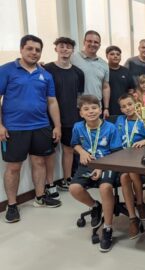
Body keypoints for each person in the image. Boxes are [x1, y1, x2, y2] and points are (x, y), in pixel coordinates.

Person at [0, 35, 62, 223]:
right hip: (14, 128)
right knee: (13, 168)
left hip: (41, 126)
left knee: (40, 163)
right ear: (21, 49)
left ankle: (40, 197)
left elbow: (51, 101)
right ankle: (12, 205)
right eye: (30, 48)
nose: (34, 52)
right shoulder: (6, 70)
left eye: (37, 50)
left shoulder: (45, 75)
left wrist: (57, 125)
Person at [69, 95, 122, 252]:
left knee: (105, 187)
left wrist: (102, 167)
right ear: (81, 113)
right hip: (87, 165)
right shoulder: (78, 127)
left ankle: (107, 229)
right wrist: (82, 152)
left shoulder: (110, 128)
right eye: (86, 109)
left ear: (100, 110)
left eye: (94, 108)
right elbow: (75, 144)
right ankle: (95, 206)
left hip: (108, 163)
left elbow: (117, 153)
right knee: (74, 189)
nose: (90, 111)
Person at [43, 37, 84, 195]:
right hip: (48, 119)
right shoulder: (46, 69)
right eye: (62, 46)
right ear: (56, 49)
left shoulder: (78, 73)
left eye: (68, 47)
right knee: (49, 153)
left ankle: (67, 179)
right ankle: (50, 184)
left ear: (72, 51)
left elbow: (79, 97)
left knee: (68, 150)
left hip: (71, 117)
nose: (65, 49)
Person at [115, 94, 145, 239]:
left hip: (138, 161)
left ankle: (137, 210)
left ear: (137, 104)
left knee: (128, 175)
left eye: (130, 104)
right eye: (123, 106)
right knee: (125, 175)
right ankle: (134, 214)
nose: (127, 108)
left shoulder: (144, 120)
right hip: (121, 159)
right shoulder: (119, 120)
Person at [71, 30, 111, 118]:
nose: (93, 44)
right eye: (89, 41)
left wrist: (106, 108)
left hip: (96, 108)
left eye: (96, 42)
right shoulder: (73, 58)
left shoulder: (104, 64)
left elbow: (105, 87)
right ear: (84, 42)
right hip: (78, 108)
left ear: (99, 45)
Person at [106, 45, 135, 116]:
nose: (115, 56)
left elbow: (131, 90)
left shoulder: (126, 71)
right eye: (112, 54)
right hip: (108, 109)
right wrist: (105, 108)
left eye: (118, 54)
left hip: (125, 109)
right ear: (107, 56)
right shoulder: (104, 70)